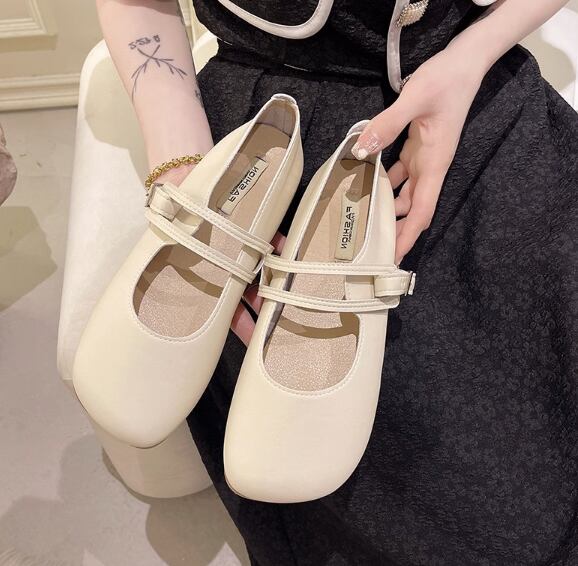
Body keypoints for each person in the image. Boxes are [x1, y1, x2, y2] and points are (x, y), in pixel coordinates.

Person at [95, 0, 578, 564]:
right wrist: (182, 162)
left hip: (470, 92)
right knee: (353, 454)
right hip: (266, 133)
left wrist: (472, 55)